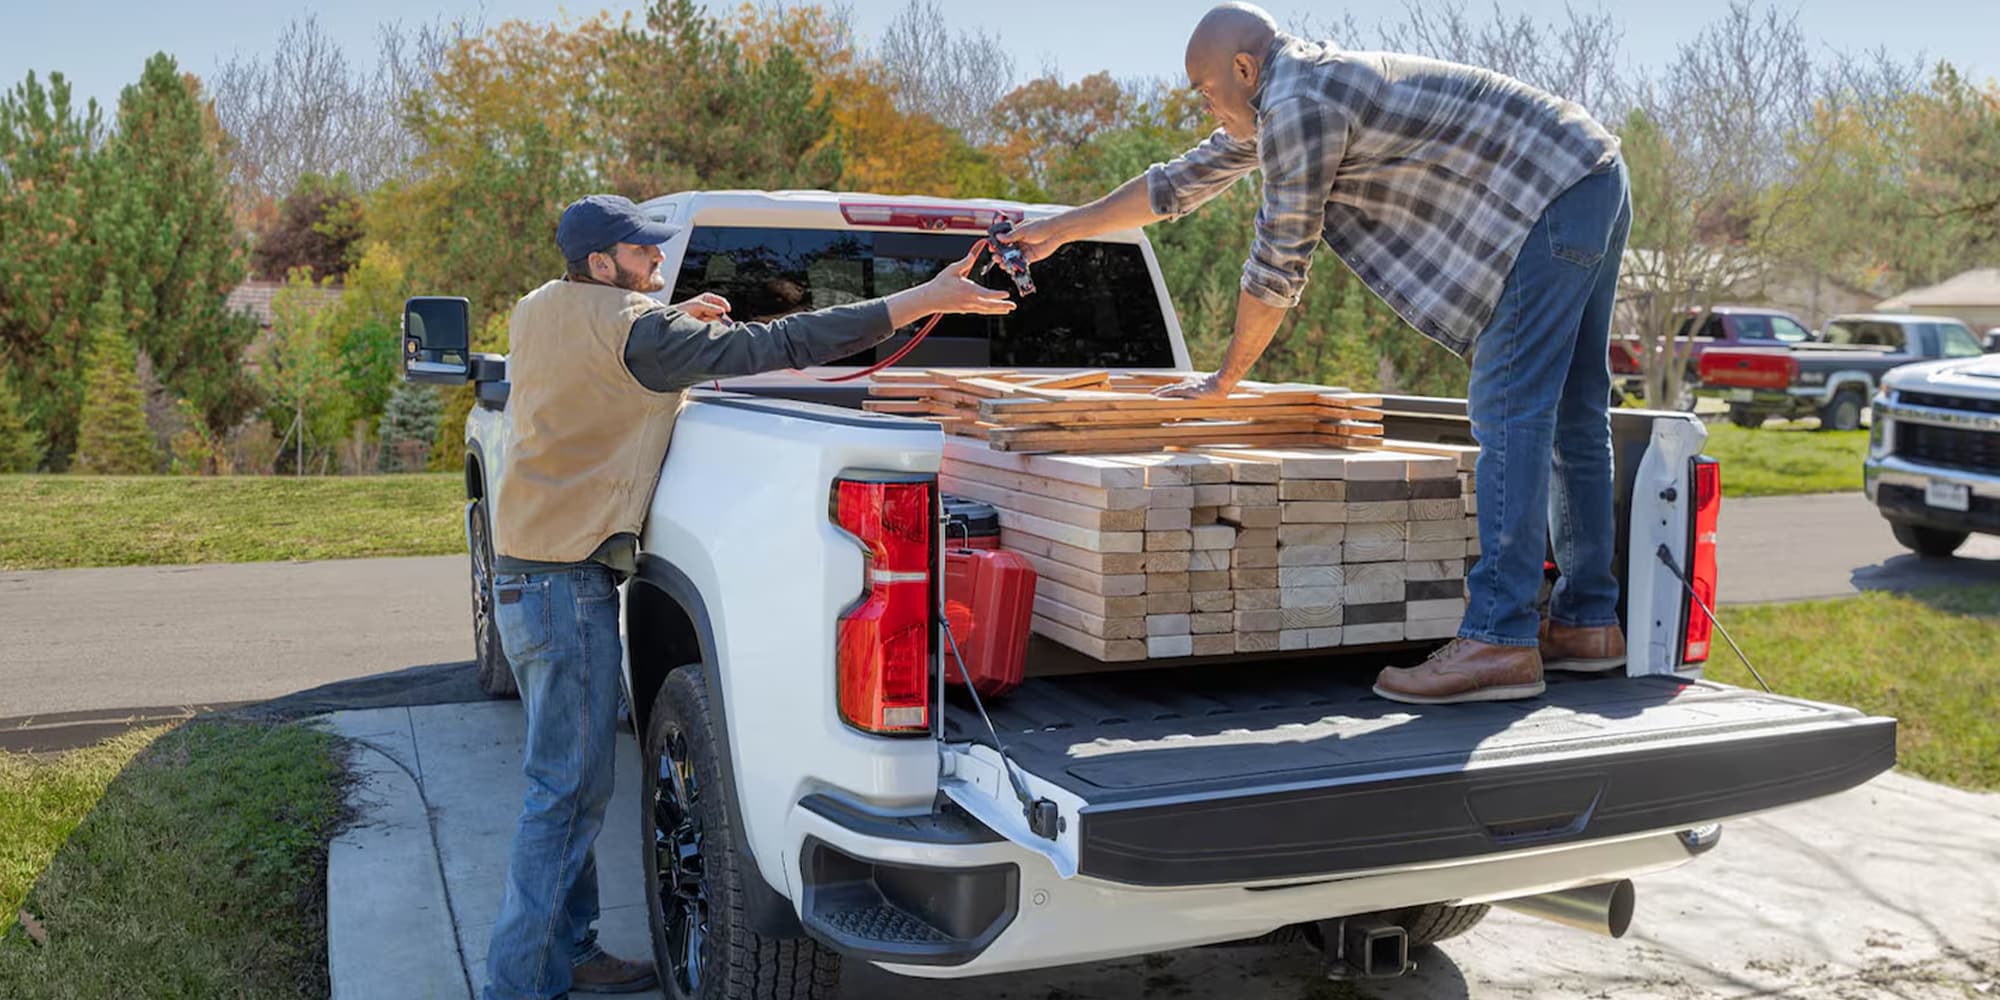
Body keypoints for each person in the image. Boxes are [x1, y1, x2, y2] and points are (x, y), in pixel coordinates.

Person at [999, 2, 1633, 705]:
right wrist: (1063, 228)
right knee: (1575, 413)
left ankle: (1500, 639)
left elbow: (1277, 264)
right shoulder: (1290, 96)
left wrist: (1224, 381)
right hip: (1589, 172)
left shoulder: (1299, 102)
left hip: (1553, 189)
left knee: (1510, 405)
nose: (1207, 108)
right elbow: (1175, 184)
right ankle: (1586, 624)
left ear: (1244, 68)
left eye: (1206, 91)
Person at [481, 194, 1015, 1000]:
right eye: (643, 254)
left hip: (528, 573)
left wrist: (675, 317)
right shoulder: (641, 332)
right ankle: (517, 987)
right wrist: (922, 300)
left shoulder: (540, 307)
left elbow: (609, 347)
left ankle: (570, 949)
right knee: (563, 797)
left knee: (570, 784)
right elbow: (786, 341)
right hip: (566, 588)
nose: (659, 262)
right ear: (602, 265)